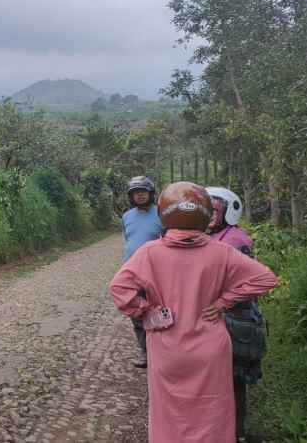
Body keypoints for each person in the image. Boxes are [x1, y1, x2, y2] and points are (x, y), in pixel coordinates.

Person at [110, 182, 278, 443]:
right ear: (205, 214)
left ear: (164, 213)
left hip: (166, 347)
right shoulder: (222, 252)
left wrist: (147, 311)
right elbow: (266, 279)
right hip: (210, 347)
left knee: (167, 411)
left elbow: (119, 288)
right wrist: (224, 301)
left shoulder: (149, 253)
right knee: (213, 409)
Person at [206, 186, 264, 441]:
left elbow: (247, 283)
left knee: (233, 379)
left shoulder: (234, 240)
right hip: (222, 316)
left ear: (228, 212)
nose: (206, 216)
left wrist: (221, 302)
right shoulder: (215, 236)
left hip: (235, 318)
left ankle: (235, 432)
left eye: (212, 211)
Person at [121, 175, 163, 368]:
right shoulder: (127, 216)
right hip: (132, 272)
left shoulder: (162, 214)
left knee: (159, 310)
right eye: (135, 193)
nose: (139, 196)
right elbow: (128, 240)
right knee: (136, 311)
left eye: (143, 192)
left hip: (156, 272)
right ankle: (145, 352)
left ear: (150, 193)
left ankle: (161, 351)